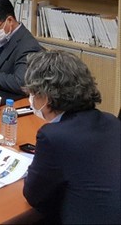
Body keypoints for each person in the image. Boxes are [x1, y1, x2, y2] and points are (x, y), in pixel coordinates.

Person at [22, 50, 120, 224]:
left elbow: (34, 196)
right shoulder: (111, 121)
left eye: (32, 93)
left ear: (46, 97)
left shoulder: (53, 137)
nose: (31, 99)